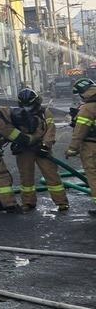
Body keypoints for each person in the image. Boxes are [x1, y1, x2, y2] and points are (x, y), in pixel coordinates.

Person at [7, 88, 68, 212]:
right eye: (24, 105)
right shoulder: (16, 114)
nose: (27, 107)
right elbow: (10, 130)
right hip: (25, 150)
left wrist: (45, 145)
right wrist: (16, 142)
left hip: (42, 149)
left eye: (29, 104)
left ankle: (61, 202)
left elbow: (50, 130)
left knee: (51, 175)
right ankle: (28, 202)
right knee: (26, 177)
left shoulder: (45, 112)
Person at [64, 77, 96, 213]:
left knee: (93, 175)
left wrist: (72, 149)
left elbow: (80, 131)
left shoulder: (88, 108)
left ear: (83, 92)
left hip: (91, 146)